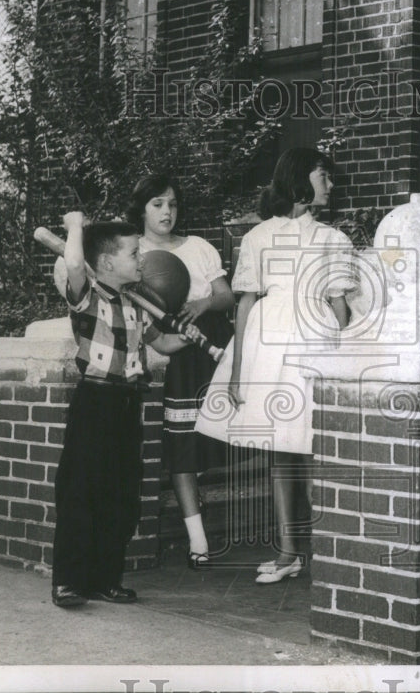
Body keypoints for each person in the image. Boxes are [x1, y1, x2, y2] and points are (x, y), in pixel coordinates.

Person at [195, 148, 354, 585]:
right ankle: (289, 553)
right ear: (300, 177)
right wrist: (241, 368)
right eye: (325, 176)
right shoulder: (258, 236)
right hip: (268, 343)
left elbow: (339, 306)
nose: (331, 185)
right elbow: (245, 301)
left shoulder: (333, 239)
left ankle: (329, 555)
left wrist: (345, 358)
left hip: (314, 341)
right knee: (281, 452)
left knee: (317, 452)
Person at [51, 213, 197, 608]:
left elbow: (162, 345)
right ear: (108, 264)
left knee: (120, 495)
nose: (141, 260)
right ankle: (69, 581)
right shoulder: (86, 297)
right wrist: (75, 227)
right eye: (134, 253)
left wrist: (184, 336)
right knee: (81, 492)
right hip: (93, 402)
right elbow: (76, 263)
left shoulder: (137, 305)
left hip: (127, 404)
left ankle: (105, 579)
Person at [126, 175, 234, 570]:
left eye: (172, 203)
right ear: (141, 208)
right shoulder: (132, 253)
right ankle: (198, 541)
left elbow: (226, 296)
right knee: (182, 448)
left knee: (223, 436)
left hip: (213, 345)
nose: (167, 212)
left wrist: (203, 305)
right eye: (157, 204)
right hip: (175, 350)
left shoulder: (199, 247)